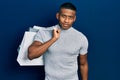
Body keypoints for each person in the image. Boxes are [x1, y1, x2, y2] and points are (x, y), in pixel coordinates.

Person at [28, 2, 88, 80]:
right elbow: (31, 55)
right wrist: (53, 39)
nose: (66, 20)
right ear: (58, 16)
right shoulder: (44, 32)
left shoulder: (81, 38)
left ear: (74, 18)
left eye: (70, 17)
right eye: (64, 16)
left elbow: (83, 64)